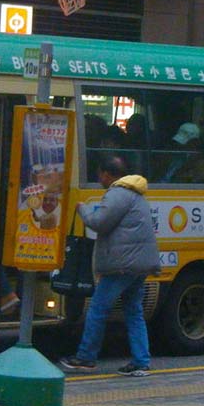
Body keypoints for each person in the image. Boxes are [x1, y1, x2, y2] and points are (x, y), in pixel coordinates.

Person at [59, 155, 160, 377]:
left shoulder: (118, 194)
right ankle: (141, 361)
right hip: (139, 264)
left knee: (97, 308)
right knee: (134, 310)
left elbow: (99, 222)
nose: (99, 179)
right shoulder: (135, 193)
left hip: (123, 265)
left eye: (99, 175)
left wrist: (82, 209)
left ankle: (86, 358)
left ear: (106, 174)